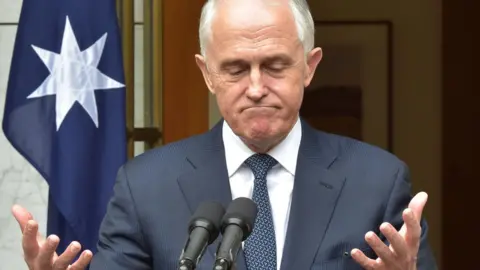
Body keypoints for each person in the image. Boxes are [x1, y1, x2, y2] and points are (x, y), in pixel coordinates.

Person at [11, 0, 437, 269]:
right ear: (207, 73)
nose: (255, 87)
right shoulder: (144, 185)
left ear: (309, 67)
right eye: (235, 69)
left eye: (274, 65)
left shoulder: (377, 181)